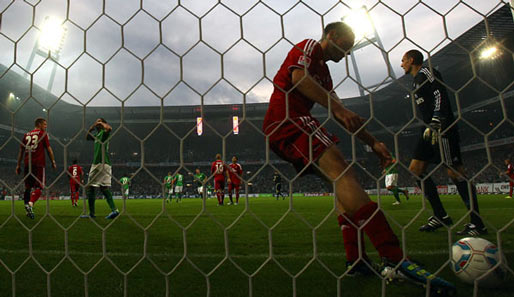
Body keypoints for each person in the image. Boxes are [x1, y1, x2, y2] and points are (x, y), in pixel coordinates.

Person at [262, 22, 455, 295]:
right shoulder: (308, 47)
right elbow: (299, 79)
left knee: (342, 188)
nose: (348, 52)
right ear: (333, 35)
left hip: (291, 125)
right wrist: (338, 111)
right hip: (289, 120)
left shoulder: (326, 76)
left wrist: (373, 142)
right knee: (345, 176)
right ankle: (394, 257)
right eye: (348, 44)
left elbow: (341, 112)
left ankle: (357, 260)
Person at [401, 49, 487, 236]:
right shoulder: (415, 80)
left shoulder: (426, 72)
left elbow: (440, 92)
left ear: (412, 60)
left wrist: (438, 118)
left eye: (403, 60)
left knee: (455, 172)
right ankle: (440, 216)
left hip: (442, 127)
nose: (401, 64)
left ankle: (477, 223)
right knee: (416, 170)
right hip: (426, 129)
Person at [15, 118, 57, 219]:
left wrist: (18, 165)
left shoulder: (26, 135)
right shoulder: (42, 134)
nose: (46, 126)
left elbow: (21, 151)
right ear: (39, 124)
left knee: (28, 188)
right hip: (38, 164)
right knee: (39, 187)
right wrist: (53, 161)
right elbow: (49, 149)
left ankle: (27, 209)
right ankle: (30, 204)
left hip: (27, 164)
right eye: (44, 124)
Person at [82, 118, 119, 219]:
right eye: (96, 121)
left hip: (98, 163)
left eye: (99, 121)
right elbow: (87, 138)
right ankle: (114, 210)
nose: (97, 123)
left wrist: (101, 124)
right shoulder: (97, 135)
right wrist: (90, 129)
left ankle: (91, 214)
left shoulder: (104, 133)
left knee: (90, 187)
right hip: (106, 164)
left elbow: (110, 128)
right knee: (104, 188)